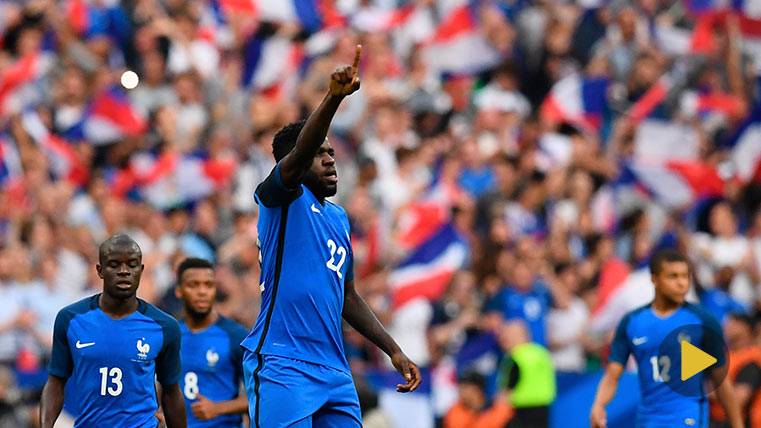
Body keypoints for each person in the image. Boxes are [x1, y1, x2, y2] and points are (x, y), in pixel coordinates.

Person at [240, 44, 421, 427]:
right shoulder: (281, 201)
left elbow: (348, 296)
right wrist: (333, 98)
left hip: (334, 370)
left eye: (332, 152)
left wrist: (393, 349)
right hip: (282, 361)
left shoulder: (338, 219)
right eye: (319, 153)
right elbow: (299, 155)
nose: (330, 158)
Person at [39, 234, 186, 428]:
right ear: (100, 270)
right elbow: (56, 382)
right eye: (114, 264)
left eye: (132, 265)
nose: (124, 271)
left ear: (141, 270)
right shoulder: (71, 319)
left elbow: (171, 391)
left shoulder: (164, 326)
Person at [590, 249, 743, 428]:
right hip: (648, 420)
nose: (682, 283)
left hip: (688, 419)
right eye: (673, 276)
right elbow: (612, 375)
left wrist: (737, 425)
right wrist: (599, 405)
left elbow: (722, 382)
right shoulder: (633, 322)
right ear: (654, 279)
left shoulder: (703, 321)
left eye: (685, 276)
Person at [175, 257, 248, 427]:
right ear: (179, 290)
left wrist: (218, 408)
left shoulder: (235, 335)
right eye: (194, 285)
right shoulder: (171, 335)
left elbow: (263, 395)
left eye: (208, 285)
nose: (202, 291)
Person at [497, 320, 555, 428]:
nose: (503, 340)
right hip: (543, 406)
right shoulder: (541, 352)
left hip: (521, 409)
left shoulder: (516, 356)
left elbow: (508, 388)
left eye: (507, 336)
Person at [710, 312, 761, 428]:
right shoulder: (725, 354)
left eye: (734, 323)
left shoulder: (752, 359)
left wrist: (707, 391)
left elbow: (739, 399)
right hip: (715, 420)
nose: (727, 326)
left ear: (746, 328)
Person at [443, 370, 512, 428]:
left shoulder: (495, 407)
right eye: (460, 386)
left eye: (465, 387)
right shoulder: (455, 410)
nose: (460, 391)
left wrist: (503, 406)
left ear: (477, 389)